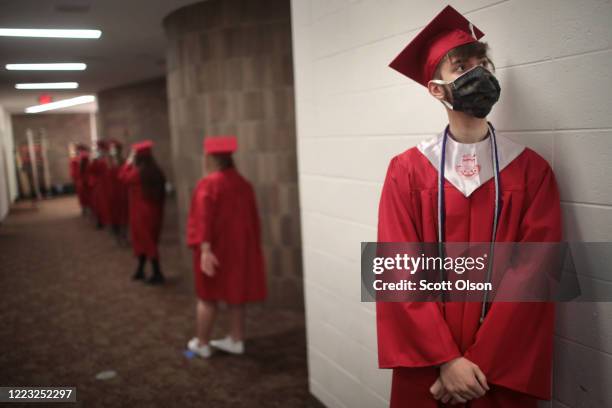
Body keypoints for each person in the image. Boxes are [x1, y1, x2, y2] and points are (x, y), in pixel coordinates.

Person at [376, 5, 561, 407]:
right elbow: (398, 272)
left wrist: (473, 363)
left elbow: (534, 274)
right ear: (436, 89)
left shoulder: (531, 171)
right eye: (462, 66)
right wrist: (445, 360)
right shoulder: (406, 172)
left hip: (496, 367)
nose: (479, 73)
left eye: (484, 63)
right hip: (428, 368)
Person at [185, 136, 267, 358]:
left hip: (214, 250)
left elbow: (203, 219)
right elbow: (253, 221)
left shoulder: (209, 184)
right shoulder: (243, 184)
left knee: (207, 297)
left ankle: (202, 344)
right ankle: (236, 339)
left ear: (210, 158)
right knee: (235, 294)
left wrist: (204, 250)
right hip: (239, 251)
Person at [118, 140, 166, 284]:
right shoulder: (156, 170)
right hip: (154, 212)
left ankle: (158, 273)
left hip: (141, 214)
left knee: (147, 242)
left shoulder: (137, 173)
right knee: (145, 242)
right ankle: (140, 269)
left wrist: (128, 162)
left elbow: (121, 177)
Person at [108, 139, 129, 244]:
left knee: (124, 213)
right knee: (115, 213)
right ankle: (118, 234)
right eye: (111, 149)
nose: (113, 151)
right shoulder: (108, 163)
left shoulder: (124, 161)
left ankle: (124, 234)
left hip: (122, 191)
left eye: (114, 149)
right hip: (112, 191)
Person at [88, 140, 113, 229]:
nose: (97, 149)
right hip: (101, 182)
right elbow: (92, 169)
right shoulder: (102, 157)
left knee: (103, 202)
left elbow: (93, 169)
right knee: (100, 202)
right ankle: (102, 220)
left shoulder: (105, 157)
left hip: (104, 183)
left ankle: (104, 220)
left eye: (98, 147)